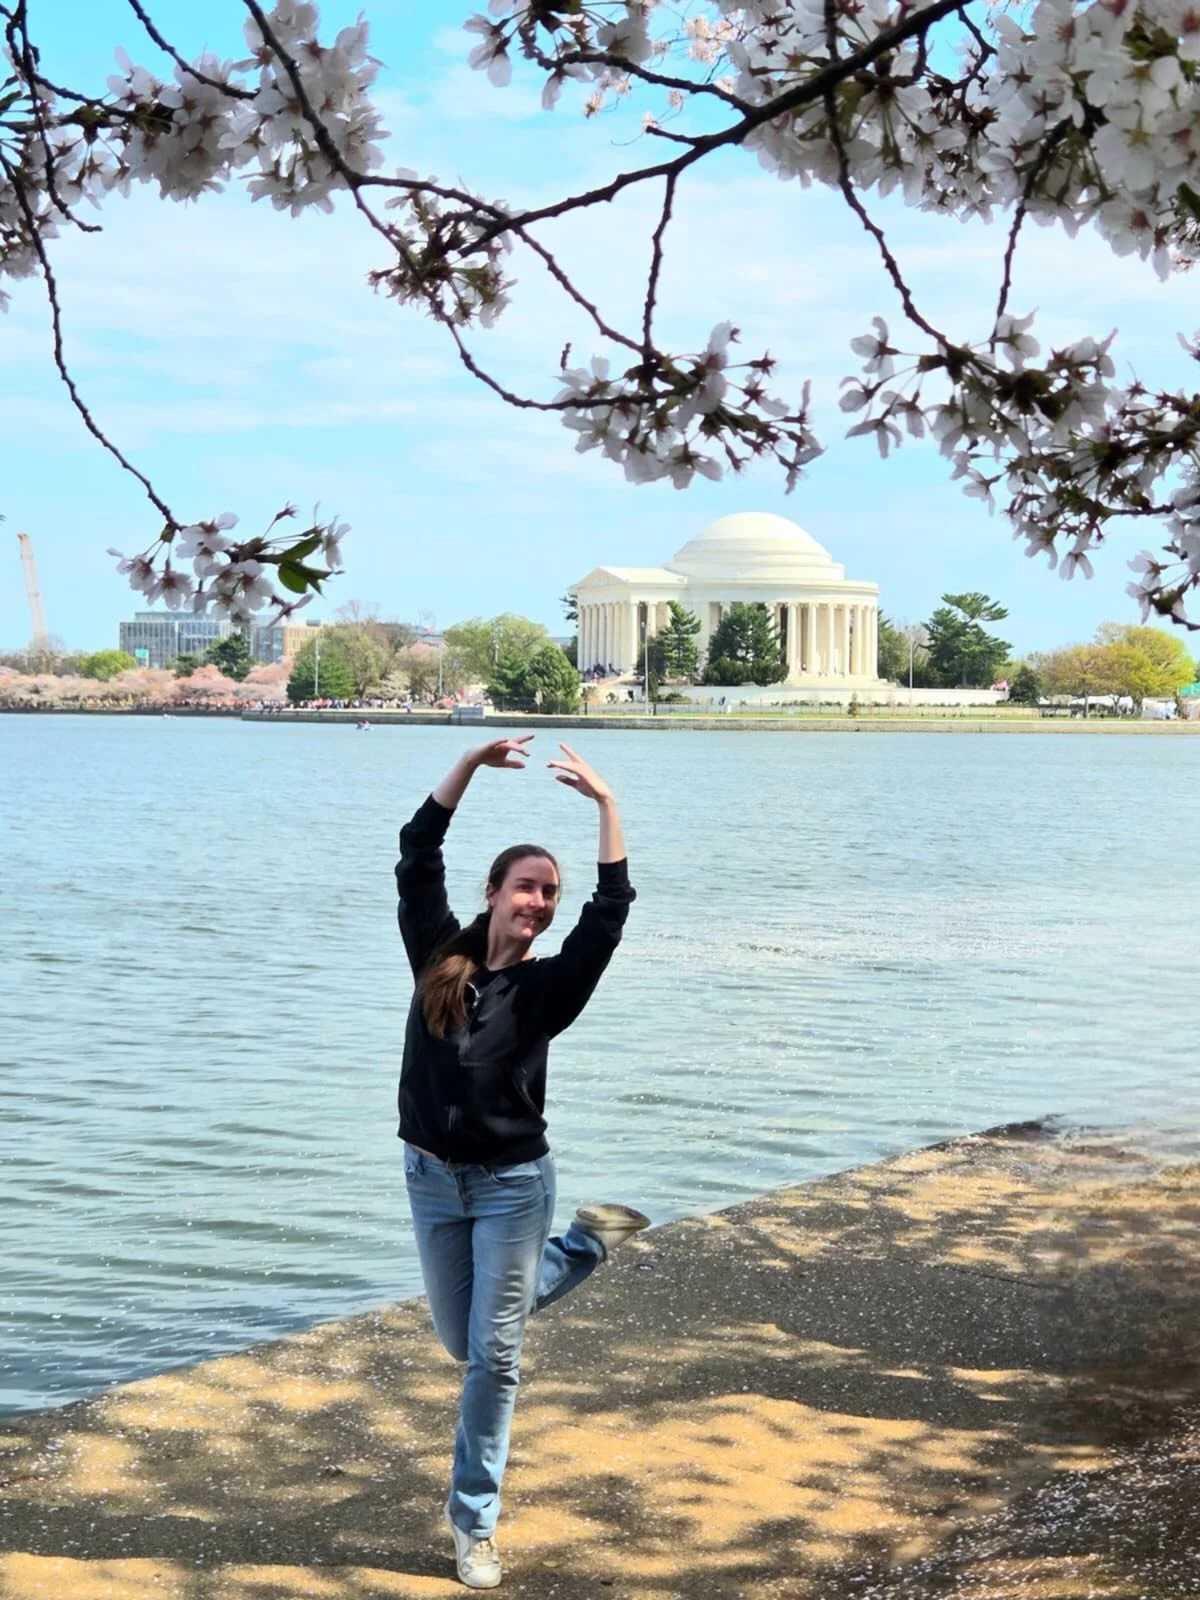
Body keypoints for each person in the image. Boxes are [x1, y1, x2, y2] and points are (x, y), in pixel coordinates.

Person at [395, 736, 649, 1590]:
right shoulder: (437, 955)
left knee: (492, 1359)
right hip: (430, 1179)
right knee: (458, 1341)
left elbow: (609, 916)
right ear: (494, 893)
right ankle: (582, 1247)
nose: (539, 902)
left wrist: (608, 808)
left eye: (549, 891)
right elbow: (417, 851)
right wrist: (468, 764)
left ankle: (474, 1525)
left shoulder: (550, 990)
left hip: (510, 1187)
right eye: (527, 887)